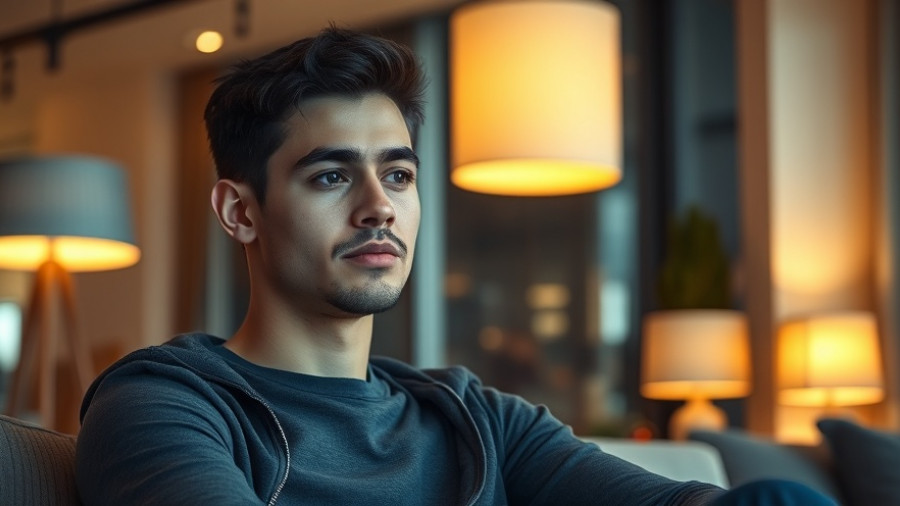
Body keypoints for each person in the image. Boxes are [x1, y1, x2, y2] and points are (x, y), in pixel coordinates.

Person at [75, 26, 835, 506]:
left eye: (398, 175)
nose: (379, 207)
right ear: (240, 212)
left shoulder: (475, 416)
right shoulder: (167, 403)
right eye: (332, 176)